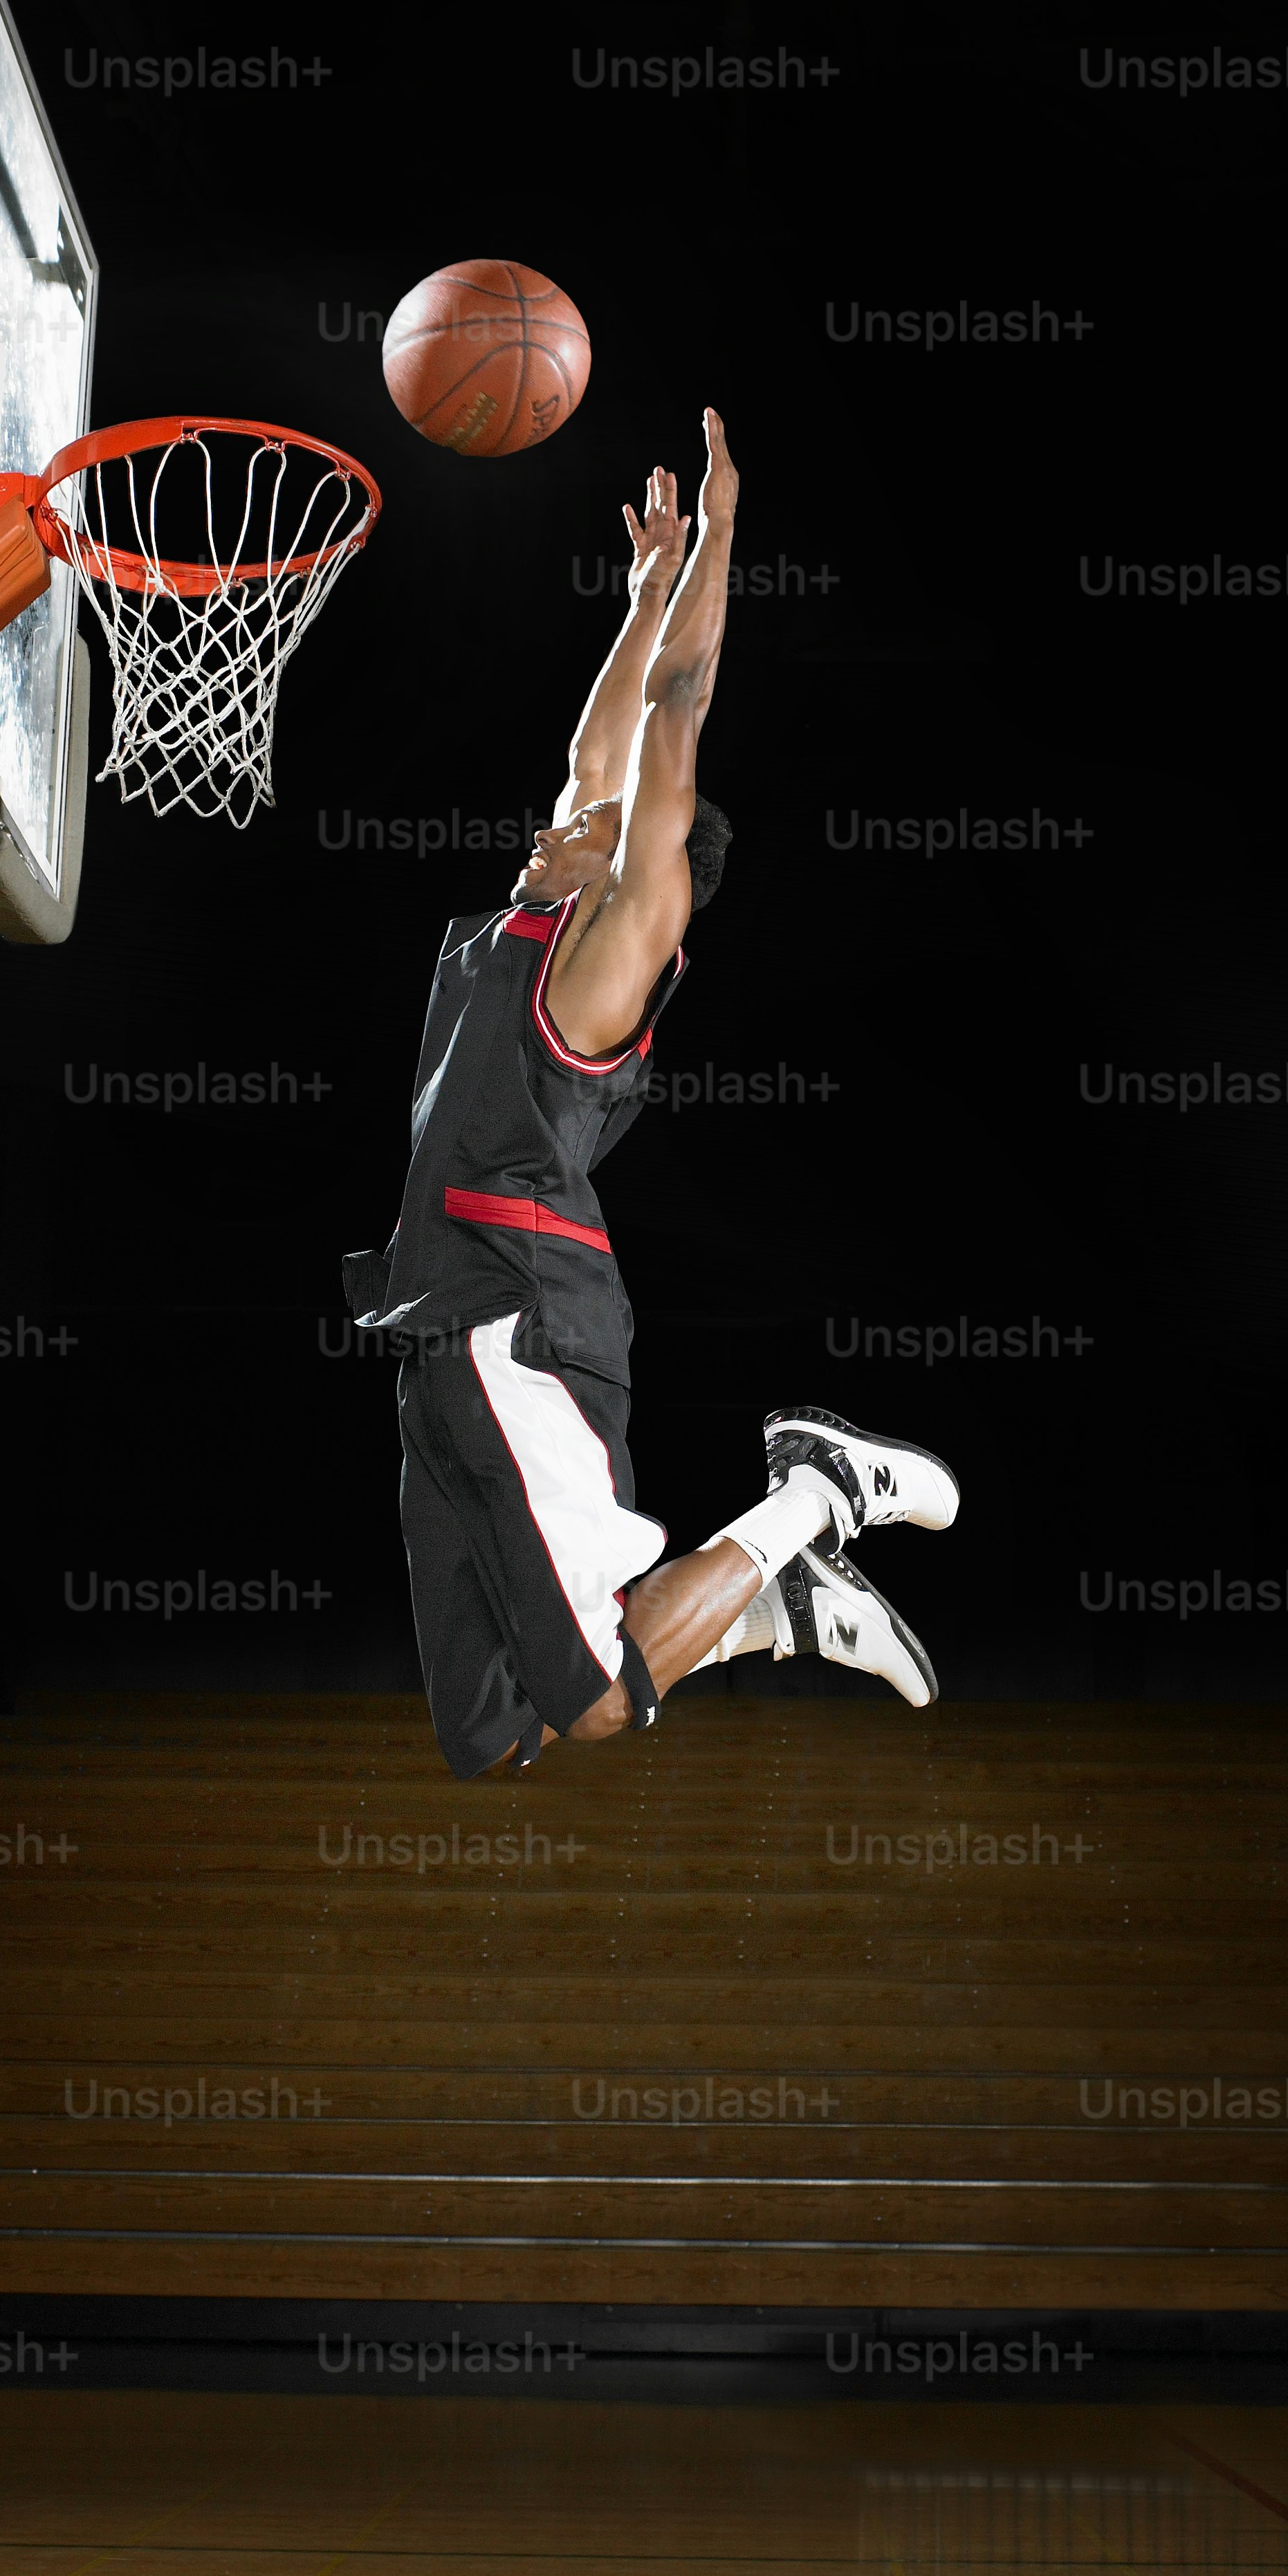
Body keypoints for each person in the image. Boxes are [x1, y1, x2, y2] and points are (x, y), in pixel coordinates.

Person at [343, 408, 959, 1779]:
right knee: (489, 1732)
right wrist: (637, 599)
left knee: (599, 1698)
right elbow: (605, 749)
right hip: (444, 1328)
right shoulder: (537, 914)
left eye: (602, 820)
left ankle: (816, 1493)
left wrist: (718, 549)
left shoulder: (609, 954)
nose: (566, 810)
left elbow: (670, 723)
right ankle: (772, 1608)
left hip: (520, 1328)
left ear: (641, 874)